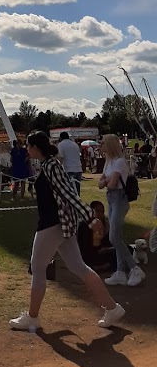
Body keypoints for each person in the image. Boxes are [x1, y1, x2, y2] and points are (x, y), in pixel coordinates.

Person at [10, 131, 125, 332]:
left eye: (28, 146)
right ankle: (112, 308)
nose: (26, 149)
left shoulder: (51, 166)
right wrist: (89, 217)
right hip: (61, 225)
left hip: (52, 225)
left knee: (37, 268)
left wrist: (90, 217)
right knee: (79, 267)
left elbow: (68, 194)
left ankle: (32, 317)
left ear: (36, 148)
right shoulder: (49, 165)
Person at [99, 134, 145, 287]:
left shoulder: (119, 162)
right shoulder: (109, 162)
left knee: (113, 237)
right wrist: (107, 180)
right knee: (117, 236)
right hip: (111, 199)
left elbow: (111, 184)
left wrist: (107, 180)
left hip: (119, 199)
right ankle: (120, 272)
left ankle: (134, 268)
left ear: (110, 144)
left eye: (103, 143)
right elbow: (102, 184)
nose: (101, 145)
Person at [77, 200, 116, 272]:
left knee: (123, 250)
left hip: (103, 253)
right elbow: (83, 247)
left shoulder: (106, 225)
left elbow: (109, 243)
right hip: (88, 255)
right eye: (97, 211)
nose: (100, 214)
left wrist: (106, 249)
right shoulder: (84, 226)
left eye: (102, 212)